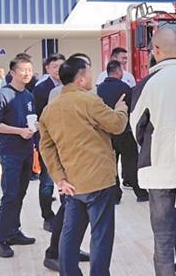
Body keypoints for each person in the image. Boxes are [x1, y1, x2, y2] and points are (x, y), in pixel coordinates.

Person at [39, 55, 129, 276]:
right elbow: (116, 125)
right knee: (101, 235)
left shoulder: (50, 109)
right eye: (89, 72)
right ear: (80, 79)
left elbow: (46, 148)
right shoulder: (89, 101)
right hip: (99, 180)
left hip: (71, 182)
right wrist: (121, 109)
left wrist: (60, 178)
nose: (92, 76)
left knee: (70, 235)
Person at [131, 27, 176, 276]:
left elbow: (136, 128)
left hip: (158, 171)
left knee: (163, 240)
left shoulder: (146, 85)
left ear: (155, 50)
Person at [41, 53, 92, 273]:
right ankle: (54, 253)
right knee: (67, 210)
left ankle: (68, 251)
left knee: (74, 214)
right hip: (69, 163)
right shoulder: (57, 94)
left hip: (84, 164)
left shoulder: (86, 92)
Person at [0, 54, 38, 258]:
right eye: (23, 70)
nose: (27, 73)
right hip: (10, 151)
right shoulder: (2, 94)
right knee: (9, 195)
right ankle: (1, 240)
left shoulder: (29, 96)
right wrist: (19, 131)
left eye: (30, 70)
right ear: (12, 72)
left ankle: (13, 231)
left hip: (26, 150)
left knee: (20, 193)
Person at [97, 60, 148, 204]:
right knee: (131, 161)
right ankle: (140, 193)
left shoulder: (100, 89)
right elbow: (132, 107)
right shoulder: (125, 87)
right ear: (118, 71)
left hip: (107, 131)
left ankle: (115, 196)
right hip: (125, 130)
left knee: (112, 164)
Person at [33, 53, 66, 232]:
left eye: (61, 66)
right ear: (47, 69)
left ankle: (65, 214)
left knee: (65, 178)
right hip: (47, 141)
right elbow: (38, 116)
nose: (58, 70)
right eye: (55, 66)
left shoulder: (69, 85)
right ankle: (47, 216)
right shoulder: (41, 89)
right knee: (47, 181)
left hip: (65, 141)